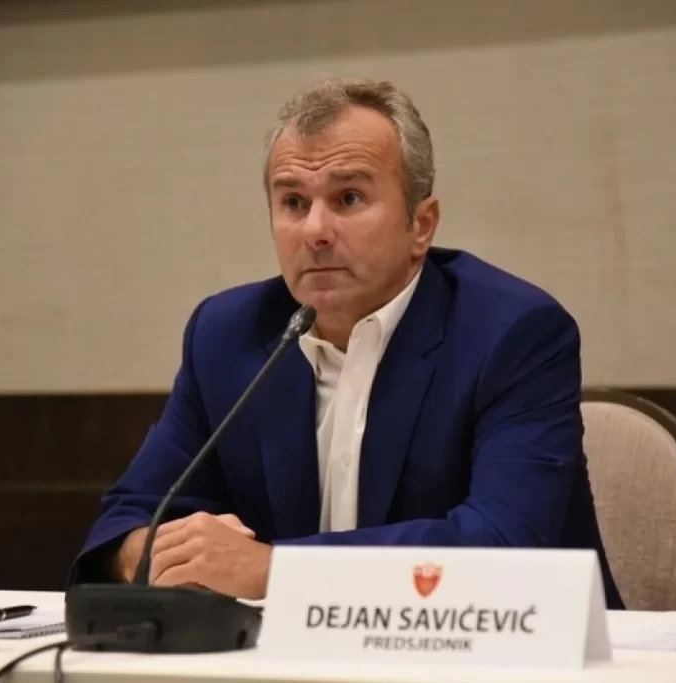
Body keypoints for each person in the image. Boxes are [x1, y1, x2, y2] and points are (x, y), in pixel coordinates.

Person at [69, 77, 623, 609]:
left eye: (349, 197)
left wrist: (273, 570)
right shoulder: (227, 335)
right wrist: (148, 554)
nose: (315, 230)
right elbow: (130, 518)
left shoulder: (513, 332)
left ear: (421, 224)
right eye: (293, 202)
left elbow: (504, 544)